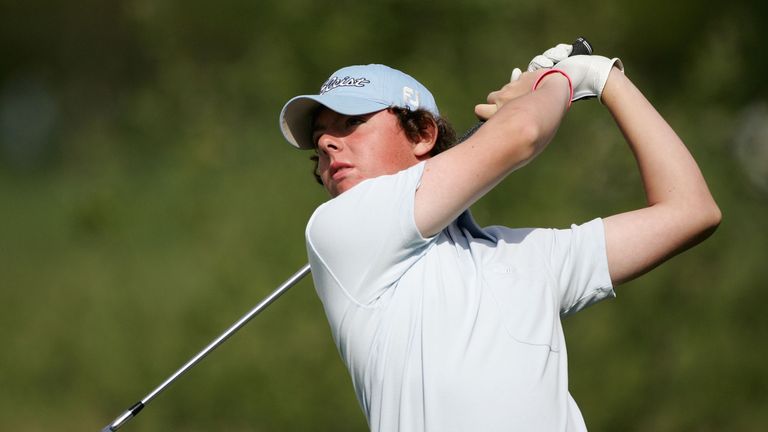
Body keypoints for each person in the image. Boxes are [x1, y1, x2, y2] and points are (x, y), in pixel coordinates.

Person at [277, 46, 720, 432]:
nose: (329, 144)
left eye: (352, 121)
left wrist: (607, 78)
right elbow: (521, 134)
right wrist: (564, 80)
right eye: (320, 141)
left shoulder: (528, 256)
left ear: (423, 134)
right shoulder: (337, 228)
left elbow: (691, 212)